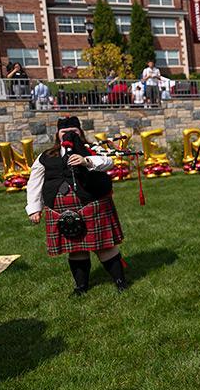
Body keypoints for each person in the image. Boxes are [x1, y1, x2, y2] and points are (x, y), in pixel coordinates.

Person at [25, 116, 128, 294]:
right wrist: (34, 208)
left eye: (73, 131)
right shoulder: (46, 155)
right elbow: (34, 181)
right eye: (65, 132)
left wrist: (86, 160)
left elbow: (107, 162)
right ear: (58, 135)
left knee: (105, 247)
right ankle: (81, 286)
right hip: (61, 210)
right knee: (76, 249)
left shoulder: (91, 149)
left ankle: (120, 282)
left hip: (93, 204)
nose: (69, 135)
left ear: (80, 133)